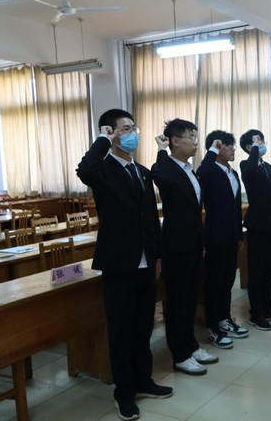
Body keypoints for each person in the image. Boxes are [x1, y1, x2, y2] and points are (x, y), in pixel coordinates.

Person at [76, 109, 172, 421]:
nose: (132, 133)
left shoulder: (142, 172)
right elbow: (84, 169)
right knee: (121, 331)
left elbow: (151, 219)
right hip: (119, 263)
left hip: (146, 262)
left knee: (143, 327)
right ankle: (124, 393)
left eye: (134, 127)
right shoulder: (102, 171)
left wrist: (158, 255)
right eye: (125, 129)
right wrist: (102, 140)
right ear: (111, 133)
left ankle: (144, 380)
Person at [152, 119, 225, 380]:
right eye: (190, 137)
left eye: (196, 136)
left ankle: (191, 346)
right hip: (176, 247)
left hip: (194, 245)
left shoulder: (189, 170)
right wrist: (161, 152)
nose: (195, 142)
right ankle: (180, 354)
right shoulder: (165, 167)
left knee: (191, 299)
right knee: (177, 302)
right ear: (174, 141)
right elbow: (160, 177)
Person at [196, 130, 249, 342]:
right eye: (228, 145)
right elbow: (203, 170)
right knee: (214, 281)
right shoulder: (209, 170)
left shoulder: (232, 173)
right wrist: (211, 151)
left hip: (231, 235)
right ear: (217, 148)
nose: (233, 149)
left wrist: (239, 236)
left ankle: (224, 318)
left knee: (227, 280)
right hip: (215, 236)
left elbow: (236, 208)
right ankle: (213, 325)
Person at [239, 129, 271, 330]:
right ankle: (256, 313)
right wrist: (254, 149)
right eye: (257, 142)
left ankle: (268, 308)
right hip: (256, 224)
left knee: (269, 269)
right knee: (257, 270)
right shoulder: (246, 165)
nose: (262, 144)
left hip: (270, 224)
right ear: (249, 147)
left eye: (262, 140)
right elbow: (251, 172)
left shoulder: (267, 167)